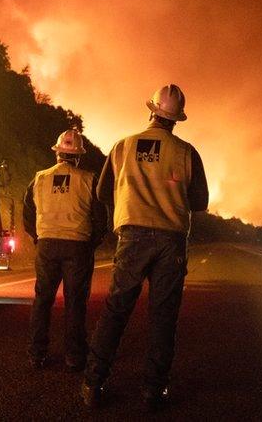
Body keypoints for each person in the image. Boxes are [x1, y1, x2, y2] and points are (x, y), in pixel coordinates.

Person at [82, 84, 208, 411]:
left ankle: (94, 384)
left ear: (151, 110)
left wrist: (130, 201)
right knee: (163, 316)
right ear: (176, 120)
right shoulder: (186, 151)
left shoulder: (123, 147)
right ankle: (154, 391)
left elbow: (102, 192)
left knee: (116, 310)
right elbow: (200, 202)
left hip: (132, 236)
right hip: (171, 239)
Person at [24, 129, 108, 372]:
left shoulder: (38, 179)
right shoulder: (89, 180)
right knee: (75, 302)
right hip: (78, 246)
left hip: (47, 245)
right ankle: (74, 356)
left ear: (58, 152)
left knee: (42, 300)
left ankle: (36, 354)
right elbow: (101, 218)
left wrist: (38, 238)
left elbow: (28, 214)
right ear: (78, 156)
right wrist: (90, 243)